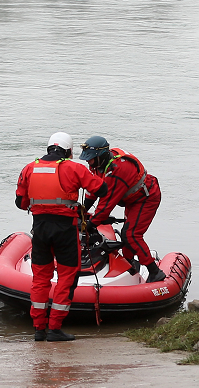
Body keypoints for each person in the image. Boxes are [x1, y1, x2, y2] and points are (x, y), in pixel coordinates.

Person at [15, 132, 106, 342]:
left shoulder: (29, 168)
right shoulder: (74, 168)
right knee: (67, 277)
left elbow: (21, 203)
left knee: (40, 279)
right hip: (65, 231)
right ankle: (55, 329)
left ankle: (39, 329)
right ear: (68, 151)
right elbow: (101, 189)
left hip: (40, 230)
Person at [79, 136, 166, 282]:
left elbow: (106, 206)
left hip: (146, 198)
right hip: (131, 199)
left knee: (132, 234)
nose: (88, 161)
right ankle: (129, 263)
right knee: (126, 233)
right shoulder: (98, 165)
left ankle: (154, 271)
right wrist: (83, 210)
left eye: (91, 158)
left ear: (101, 156)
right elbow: (94, 189)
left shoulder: (118, 171)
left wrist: (90, 225)